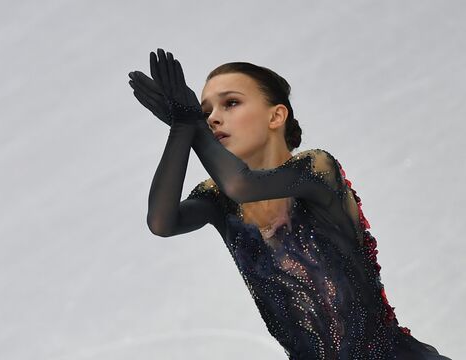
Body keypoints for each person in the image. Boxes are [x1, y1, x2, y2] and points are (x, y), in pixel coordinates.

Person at [128, 48, 451, 360]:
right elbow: (162, 223)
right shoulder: (216, 198)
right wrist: (182, 128)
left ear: (276, 115)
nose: (213, 118)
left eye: (231, 103)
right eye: (205, 112)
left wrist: (194, 128)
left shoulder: (315, 169)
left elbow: (242, 185)